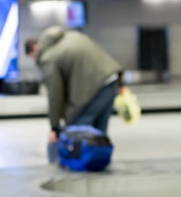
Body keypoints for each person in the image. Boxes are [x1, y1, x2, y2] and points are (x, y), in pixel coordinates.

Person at [25, 26, 122, 163]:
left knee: (77, 129)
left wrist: (55, 127)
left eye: (34, 57)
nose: (36, 60)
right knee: (100, 132)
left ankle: (74, 164)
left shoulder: (48, 58)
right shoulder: (71, 36)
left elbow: (55, 94)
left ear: (35, 48)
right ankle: (97, 163)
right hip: (111, 79)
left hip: (94, 87)